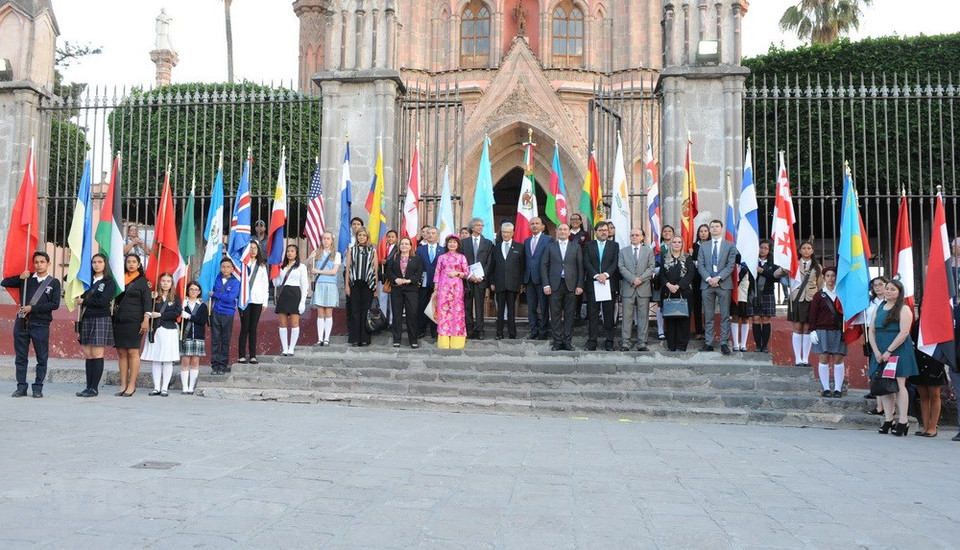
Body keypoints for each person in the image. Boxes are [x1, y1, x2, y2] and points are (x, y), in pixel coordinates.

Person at [2, 251, 62, 398]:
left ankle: (38, 387)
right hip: (22, 323)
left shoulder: (53, 282)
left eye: (42, 262)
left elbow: (55, 304)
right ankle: (21, 387)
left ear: (48, 263)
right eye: (36, 262)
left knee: (41, 357)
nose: (39, 264)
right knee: (21, 357)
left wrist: (32, 308)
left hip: (41, 324)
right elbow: (4, 282)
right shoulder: (27, 279)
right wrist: (20, 277)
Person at [868, 279, 919, 436]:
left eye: (892, 290)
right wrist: (876, 351)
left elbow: (904, 332)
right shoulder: (879, 307)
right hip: (880, 350)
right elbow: (871, 331)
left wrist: (889, 351)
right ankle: (888, 419)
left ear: (899, 293)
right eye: (887, 289)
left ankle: (903, 420)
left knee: (899, 384)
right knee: (884, 386)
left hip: (897, 350)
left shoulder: (904, 309)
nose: (888, 291)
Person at [74, 253, 116, 397]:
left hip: (100, 318)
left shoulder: (109, 282)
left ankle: (94, 388)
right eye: (94, 262)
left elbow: (103, 302)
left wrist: (84, 301)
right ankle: (87, 387)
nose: (96, 265)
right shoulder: (86, 281)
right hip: (86, 318)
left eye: (99, 262)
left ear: (105, 264)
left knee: (97, 354)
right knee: (88, 354)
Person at [111, 254, 151, 396]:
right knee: (121, 352)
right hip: (119, 319)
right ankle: (123, 385)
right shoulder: (120, 279)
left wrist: (146, 319)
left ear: (139, 264)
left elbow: (147, 303)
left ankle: (132, 385)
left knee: (132, 351)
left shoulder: (143, 282)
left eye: (134, 262)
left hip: (135, 321)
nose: (131, 264)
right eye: (128, 262)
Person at [696, 220, 738, 355]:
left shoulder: (730, 245)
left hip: (723, 284)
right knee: (708, 315)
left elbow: (731, 265)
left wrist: (718, 278)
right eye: (712, 227)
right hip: (707, 284)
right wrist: (709, 279)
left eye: (716, 227)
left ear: (721, 228)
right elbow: (700, 265)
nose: (714, 229)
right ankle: (708, 342)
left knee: (725, 314)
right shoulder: (703, 246)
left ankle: (724, 342)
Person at [777, 241, 820, 367]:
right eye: (804, 248)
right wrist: (784, 268)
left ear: (812, 251)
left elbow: (820, 285)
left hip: (811, 300)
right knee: (797, 328)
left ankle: (805, 358)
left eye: (809, 248)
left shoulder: (817, 267)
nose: (806, 250)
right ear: (800, 251)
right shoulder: (793, 264)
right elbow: (776, 274)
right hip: (797, 298)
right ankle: (798, 358)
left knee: (807, 329)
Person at [542, 223, 584, 351]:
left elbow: (580, 267)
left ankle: (567, 341)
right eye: (560, 229)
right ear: (556, 232)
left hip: (571, 285)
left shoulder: (576, 247)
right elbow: (544, 265)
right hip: (555, 285)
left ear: (569, 232)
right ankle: (557, 341)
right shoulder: (550, 247)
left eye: (565, 229)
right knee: (555, 314)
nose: (563, 231)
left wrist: (580, 285)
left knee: (570, 315)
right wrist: (546, 284)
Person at [807, 267, 846, 397]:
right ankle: (826, 388)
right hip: (822, 330)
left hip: (839, 330)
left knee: (838, 358)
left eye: (833, 275)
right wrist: (812, 330)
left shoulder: (842, 293)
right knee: (823, 358)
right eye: (828, 276)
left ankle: (838, 389)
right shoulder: (819, 295)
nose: (831, 278)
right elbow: (813, 314)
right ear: (824, 278)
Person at [142, 273, 182, 397]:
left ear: (172, 283)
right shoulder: (154, 297)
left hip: (169, 330)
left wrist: (160, 315)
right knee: (156, 359)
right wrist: (151, 299)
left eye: (168, 281)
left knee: (167, 359)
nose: (165, 283)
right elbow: (147, 309)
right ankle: (156, 387)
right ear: (159, 282)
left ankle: (164, 388)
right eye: (163, 281)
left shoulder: (175, 298)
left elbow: (176, 313)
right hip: (156, 330)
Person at [583, 221, 619, 351]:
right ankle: (592, 341)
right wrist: (596, 275)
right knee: (592, 314)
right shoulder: (588, 245)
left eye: (605, 230)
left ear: (608, 232)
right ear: (596, 232)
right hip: (593, 284)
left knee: (608, 314)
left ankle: (609, 341)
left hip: (608, 284)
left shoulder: (614, 245)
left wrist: (605, 274)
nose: (603, 232)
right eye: (600, 230)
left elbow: (615, 262)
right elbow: (586, 262)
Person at [618, 227, 655, 351]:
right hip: (628, 288)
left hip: (643, 289)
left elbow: (651, 268)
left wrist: (640, 279)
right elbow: (621, 267)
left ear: (642, 237)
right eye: (632, 235)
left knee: (643, 317)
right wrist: (633, 279)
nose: (634, 237)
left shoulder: (648, 251)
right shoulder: (623, 251)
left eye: (637, 235)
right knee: (627, 317)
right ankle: (625, 342)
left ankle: (642, 343)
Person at [658, 236, 696, 352]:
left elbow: (691, 274)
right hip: (668, 293)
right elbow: (661, 275)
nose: (676, 244)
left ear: (682, 244)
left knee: (683, 320)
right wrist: (668, 285)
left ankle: (681, 346)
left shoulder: (687, 258)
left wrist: (679, 286)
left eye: (679, 242)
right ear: (671, 244)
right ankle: (671, 346)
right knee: (670, 320)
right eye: (674, 242)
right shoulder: (665, 258)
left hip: (684, 293)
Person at [490, 222, 525, 340]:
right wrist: (492, 282)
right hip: (499, 283)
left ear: (513, 233)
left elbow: (522, 267)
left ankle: (512, 333)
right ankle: (499, 333)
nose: (506, 234)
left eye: (509, 232)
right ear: (501, 233)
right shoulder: (495, 248)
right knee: (499, 310)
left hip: (513, 283)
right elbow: (492, 267)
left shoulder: (520, 247)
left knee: (511, 309)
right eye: (504, 232)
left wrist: (521, 283)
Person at [386, 236, 423, 348]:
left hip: (411, 290)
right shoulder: (394, 258)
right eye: (402, 244)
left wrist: (409, 280)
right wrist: (395, 279)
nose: (404, 246)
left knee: (411, 314)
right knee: (397, 315)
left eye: (407, 244)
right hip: (397, 289)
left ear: (411, 246)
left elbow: (419, 273)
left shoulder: (416, 259)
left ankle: (413, 339)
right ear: (399, 246)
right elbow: (389, 271)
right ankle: (397, 339)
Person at [433, 235, 468, 349]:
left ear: (458, 245)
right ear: (447, 244)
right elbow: (437, 274)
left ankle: (456, 342)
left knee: (457, 313)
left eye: (454, 242)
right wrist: (435, 290)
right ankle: (443, 342)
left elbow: (466, 273)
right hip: (443, 289)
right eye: (450, 242)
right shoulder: (441, 257)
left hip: (457, 289)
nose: (452, 244)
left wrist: (457, 273)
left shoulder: (462, 257)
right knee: (443, 313)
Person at [275, 244, 310, 355]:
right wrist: (274, 273)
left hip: (295, 295)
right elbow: (277, 283)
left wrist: (303, 301)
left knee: (294, 323)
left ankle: (291, 348)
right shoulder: (282, 267)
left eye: (292, 251)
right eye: (288, 251)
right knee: (282, 323)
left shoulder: (301, 267)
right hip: (283, 294)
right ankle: (285, 348)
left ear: (296, 253)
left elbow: (305, 285)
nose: (289, 253)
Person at [345, 228, 378, 347]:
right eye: (360, 235)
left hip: (368, 284)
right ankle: (354, 338)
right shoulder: (351, 250)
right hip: (354, 283)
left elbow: (375, 270)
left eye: (364, 235)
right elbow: (348, 268)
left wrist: (376, 288)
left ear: (367, 237)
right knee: (355, 311)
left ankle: (365, 339)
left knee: (365, 311)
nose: (362, 237)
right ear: (357, 236)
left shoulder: (372, 250)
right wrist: (347, 286)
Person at [237, 240, 268, 364]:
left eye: (255, 248)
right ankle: (241, 355)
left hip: (257, 300)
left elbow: (265, 284)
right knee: (244, 328)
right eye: (250, 248)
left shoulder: (261, 266)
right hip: (244, 300)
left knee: (253, 328)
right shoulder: (242, 265)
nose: (253, 250)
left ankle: (253, 355)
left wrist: (265, 302)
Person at [463, 217, 493, 339]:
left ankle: (480, 330)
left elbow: (489, 262)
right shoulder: (464, 242)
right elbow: (461, 261)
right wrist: (469, 276)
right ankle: (469, 330)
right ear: (472, 227)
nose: (480, 227)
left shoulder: (488, 243)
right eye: (478, 225)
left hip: (481, 280)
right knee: (467, 306)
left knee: (480, 306)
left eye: (482, 225)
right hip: (467, 280)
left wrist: (481, 276)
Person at [524, 217, 553, 340]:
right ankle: (533, 329)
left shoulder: (548, 240)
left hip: (542, 279)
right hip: (529, 279)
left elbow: (550, 260)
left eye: (537, 223)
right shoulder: (526, 241)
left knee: (543, 306)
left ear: (542, 226)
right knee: (531, 306)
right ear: (529, 227)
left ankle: (543, 331)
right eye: (532, 224)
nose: (535, 226)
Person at [311, 231, 341, 347]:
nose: (326, 241)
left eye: (328, 238)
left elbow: (334, 272)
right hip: (320, 284)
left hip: (330, 284)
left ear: (332, 240)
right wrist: (311, 257)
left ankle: (326, 338)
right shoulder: (317, 253)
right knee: (320, 312)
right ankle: (320, 339)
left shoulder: (336, 254)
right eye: (324, 238)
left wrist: (318, 271)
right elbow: (307, 265)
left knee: (328, 312)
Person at [210, 258, 240, 373]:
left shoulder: (235, 282)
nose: (225, 269)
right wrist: (216, 294)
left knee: (225, 339)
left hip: (228, 313)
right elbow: (211, 291)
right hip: (216, 312)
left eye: (228, 267)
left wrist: (215, 294)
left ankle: (222, 365)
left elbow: (230, 298)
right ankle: (214, 365)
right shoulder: (216, 278)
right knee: (215, 339)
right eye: (223, 266)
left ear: (232, 269)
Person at [751, 239, 781, 353]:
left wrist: (762, 271)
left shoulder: (773, 264)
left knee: (766, 319)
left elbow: (775, 277)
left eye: (765, 248)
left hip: (767, 292)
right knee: (756, 318)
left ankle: (765, 346)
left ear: (769, 251)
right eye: (761, 247)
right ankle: (758, 346)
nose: (763, 250)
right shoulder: (752, 261)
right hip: (754, 293)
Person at [180, 281, 207, 395]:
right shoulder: (183, 304)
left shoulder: (202, 306)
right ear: (188, 290)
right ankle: (184, 387)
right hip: (187, 336)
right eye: (191, 289)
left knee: (195, 362)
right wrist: (181, 310)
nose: (193, 291)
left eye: (196, 290)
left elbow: (202, 321)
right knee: (185, 361)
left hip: (198, 336)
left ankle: (191, 387)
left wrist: (190, 316)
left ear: (199, 292)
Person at [416, 227, 441, 338]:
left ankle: (434, 331)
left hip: (438, 284)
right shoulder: (420, 249)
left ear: (437, 236)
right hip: (423, 283)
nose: (430, 235)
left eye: (433, 233)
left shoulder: (443, 250)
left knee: (436, 306)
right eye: (428, 233)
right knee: (422, 305)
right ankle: (421, 329)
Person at [654, 224, 676, 340]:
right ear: (661, 234)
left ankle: (670, 329)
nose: (667, 233)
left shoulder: (676, 245)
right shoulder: (657, 246)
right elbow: (651, 261)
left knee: (672, 303)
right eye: (665, 231)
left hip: (673, 281)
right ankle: (660, 329)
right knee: (660, 304)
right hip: (660, 279)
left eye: (669, 231)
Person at [730, 254, 754, 353]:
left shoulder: (748, 268)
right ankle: (735, 344)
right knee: (735, 317)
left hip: (745, 296)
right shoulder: (731, 268)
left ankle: (743, 344)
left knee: (745, 319)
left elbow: (752, 283)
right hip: (734, 296)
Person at [690, 223, 710, 339]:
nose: (703, 233)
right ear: (698, 233)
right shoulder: (693, 246)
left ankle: (708, 331)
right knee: (697, 306)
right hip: (697, 279)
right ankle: (698, 331)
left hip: (708, 279)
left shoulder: (712, 245)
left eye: (705, 231)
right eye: (701, 231)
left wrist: (698, 263)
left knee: (708, 306)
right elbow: (691, 262)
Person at [377, 230, 398, 327]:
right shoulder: (382, 247)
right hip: (383, 277)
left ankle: (392, 321)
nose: (390, 239)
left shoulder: (398, 249)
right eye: (388, 237)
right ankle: (383, 320)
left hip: (393, 278)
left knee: (393, 301)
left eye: (392, 237)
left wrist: (387, 261)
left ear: (396, 238)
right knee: (382, 299)